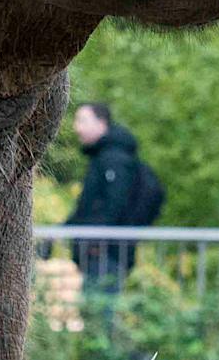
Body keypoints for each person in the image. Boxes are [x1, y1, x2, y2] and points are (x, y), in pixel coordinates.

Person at [66, 101, 161, 293]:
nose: (77, 128)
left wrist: (95, 241)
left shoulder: (113, 160)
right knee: (94, 311)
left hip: (106, 253)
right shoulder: (104, 158)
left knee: (98, 313)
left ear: (101, 123)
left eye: (83, 120)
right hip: (101, 251)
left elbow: (115, 206)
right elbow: (87, 208)